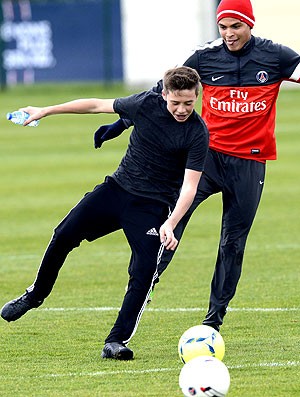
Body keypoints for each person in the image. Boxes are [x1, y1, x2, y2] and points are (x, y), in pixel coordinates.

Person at [92, 0, 300, 332]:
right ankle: (146, 285)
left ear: (251, 24)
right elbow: (162, 91)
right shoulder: (204, 56)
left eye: (236, 26)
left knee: (232, 243)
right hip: (207, 159)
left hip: (250, 163)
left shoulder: (277, 57)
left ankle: (213, 321)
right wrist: (120, 124)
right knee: (169, 226)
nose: (229, 34)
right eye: (223, 26)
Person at [0, 66, 209, 360]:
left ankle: (116, 341)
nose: (182, 109)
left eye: (189, 103)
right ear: (164, 94)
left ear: (196, 97)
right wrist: (45, 110)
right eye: (176, 102)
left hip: (151, 207)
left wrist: (171, 223)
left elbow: (190, 186)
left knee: (144, 271)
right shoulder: (145, 104)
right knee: (63, 234)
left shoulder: (197, 133)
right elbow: (97, 105)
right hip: (116, 190)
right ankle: (35, 294)